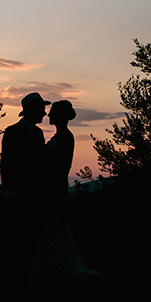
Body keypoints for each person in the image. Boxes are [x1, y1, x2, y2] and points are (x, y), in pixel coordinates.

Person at [31, 100, 108, 285]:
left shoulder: (65, 137)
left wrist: (53, 185)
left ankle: (57, 268)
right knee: (51, 227)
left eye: (52, 113)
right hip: (50, 185)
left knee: (54, 225)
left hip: (55, 186)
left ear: (59, 116)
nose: (48, 115)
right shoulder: (60, 136)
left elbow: (64, 165)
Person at [0, 92, 51, 284]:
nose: (45, 114)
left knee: (31, 236)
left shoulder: (38, 134)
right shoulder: (12, 132)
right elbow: (7, 164)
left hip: (34, 195)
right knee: (17, 237)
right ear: (33, 111)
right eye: (42, 110)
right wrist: (9, 191)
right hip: (18, 194)